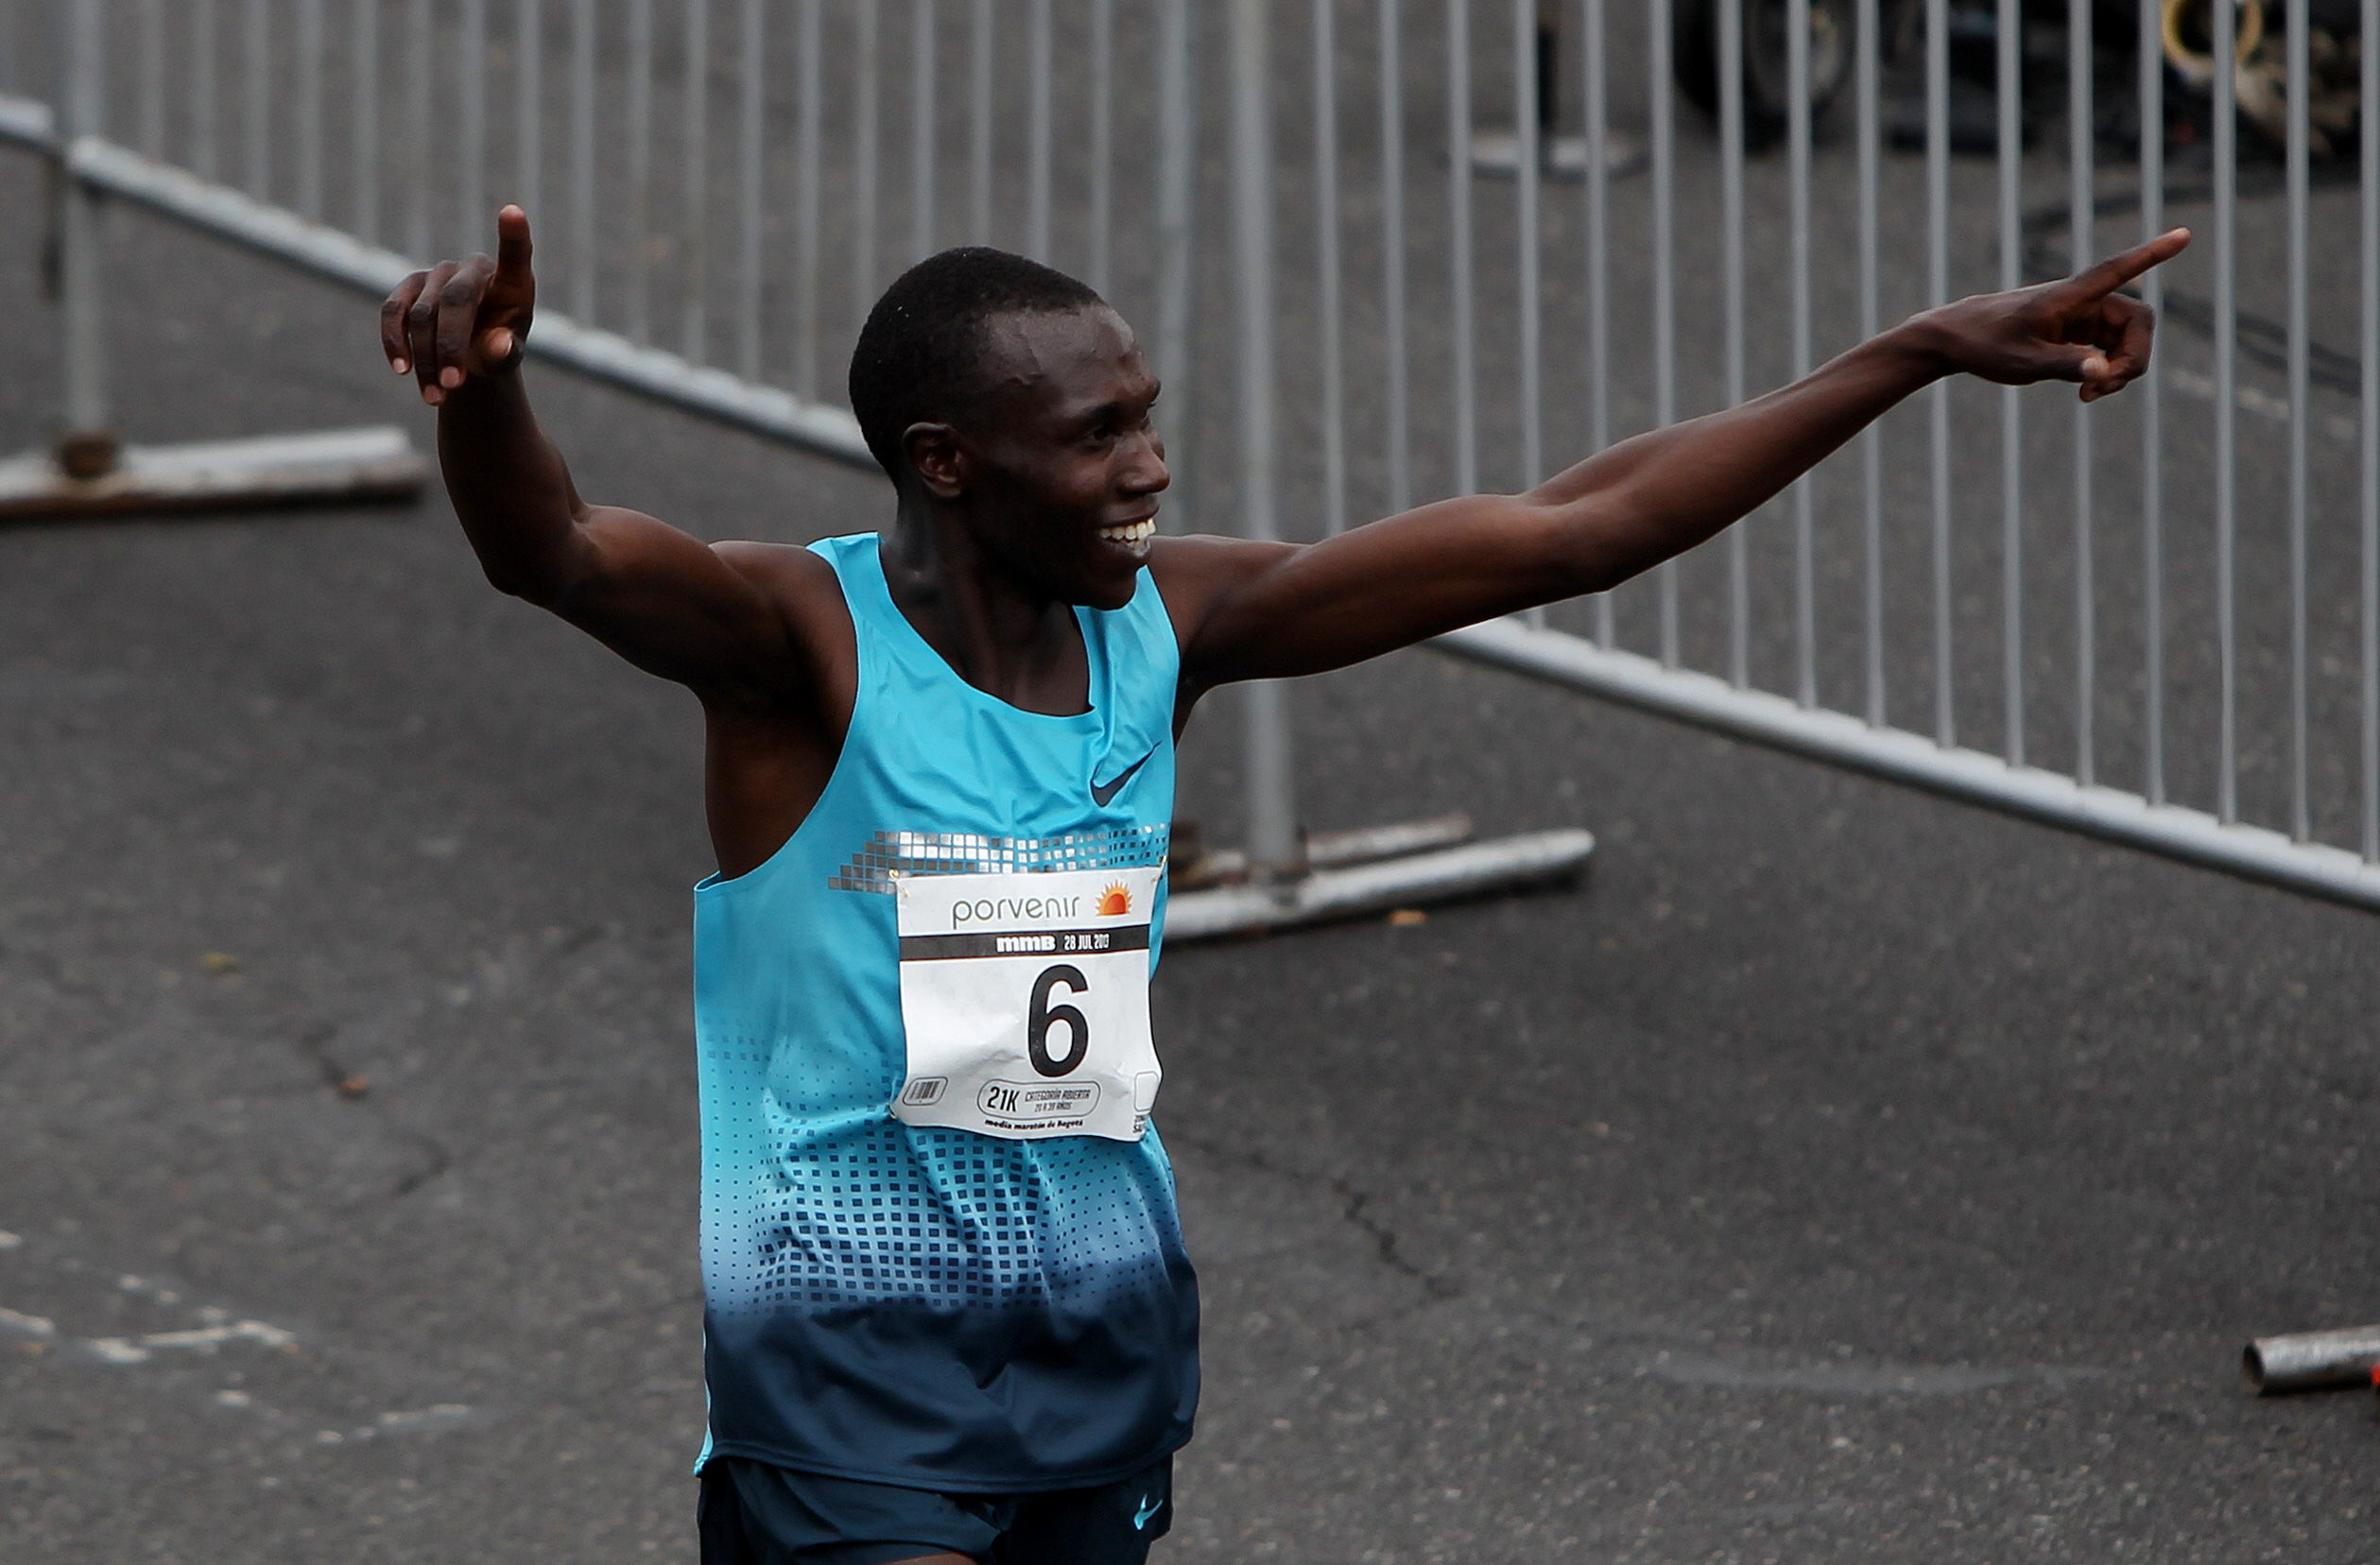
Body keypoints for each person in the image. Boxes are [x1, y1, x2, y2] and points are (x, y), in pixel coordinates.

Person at [379, 205, 2185, 1565]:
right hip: (843, 1356)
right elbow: (559, 552)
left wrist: (1913, 350)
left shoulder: (1171, 624)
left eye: (1147, 416)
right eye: (1097, 435)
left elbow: (1575, 531)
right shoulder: (798, 642)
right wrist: (488, 392)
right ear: (948, 464)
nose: (1149, 467)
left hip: (1095, 1337)